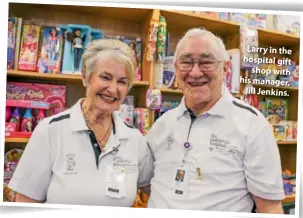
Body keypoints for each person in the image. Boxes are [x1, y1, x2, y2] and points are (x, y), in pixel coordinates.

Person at [145, 28, 285, 214]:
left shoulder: (252, 124)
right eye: (186, 62)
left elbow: (270, 207)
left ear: (225, 68)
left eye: (207, 62)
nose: (195, 72)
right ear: (177, 69)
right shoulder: (162, 124)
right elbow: (150, 185)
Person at [8, 39, 154, 207]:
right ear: (85, 76)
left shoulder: (134, 139)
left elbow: (157, 189)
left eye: (122, 81)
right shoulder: (50, 131)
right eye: (105, 77)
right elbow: (24, 205)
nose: (113, 89)